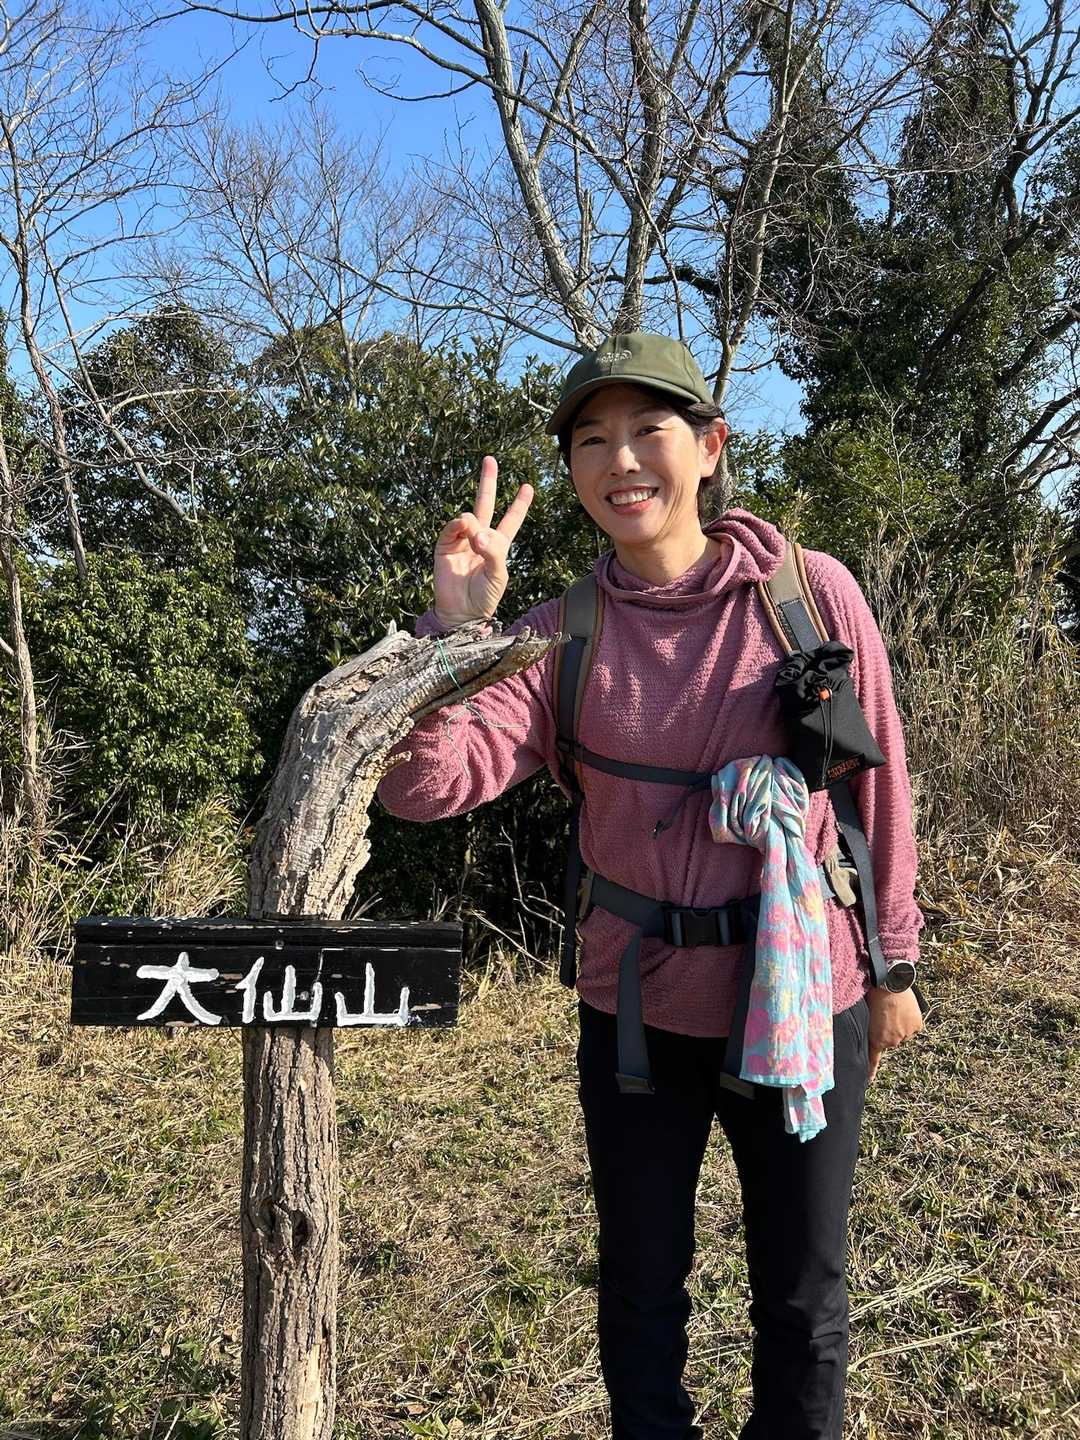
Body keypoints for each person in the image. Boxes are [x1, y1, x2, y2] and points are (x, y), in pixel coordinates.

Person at [376, 330, 925, 1440]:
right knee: (638, 1287)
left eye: (648, 430)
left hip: (801, 996)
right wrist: (454, 636)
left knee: (804, 1295)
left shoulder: (808, 595)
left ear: (711, 447)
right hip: (634, 1008)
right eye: (592, 440)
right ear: (572, 471)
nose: (620, 461)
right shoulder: (559, 634)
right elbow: (422, 788)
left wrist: (893, 966)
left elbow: (880, 788)